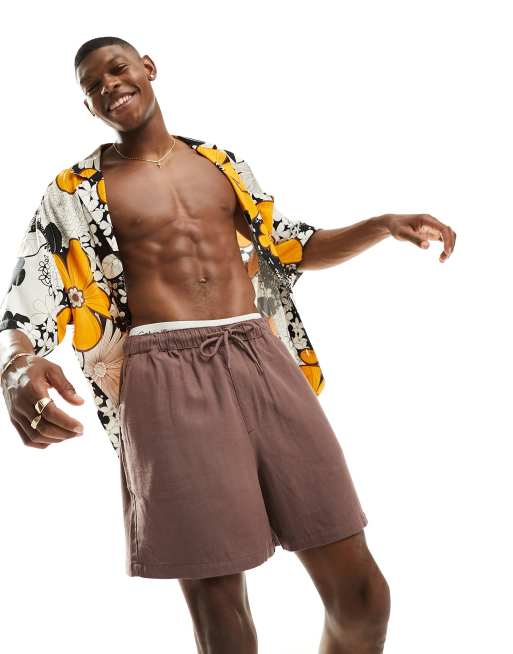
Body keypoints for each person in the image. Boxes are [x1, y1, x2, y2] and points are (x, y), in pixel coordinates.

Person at [0, 36, 456, 654]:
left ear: (148, 68)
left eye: (117, 68)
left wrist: (381, 225)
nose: (109, 85)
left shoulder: (218, 162)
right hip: (164, 376)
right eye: (93, 85)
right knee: (222, 619)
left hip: (258, 356)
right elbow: (26, 298)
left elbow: (288, 243)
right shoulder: (74, 189)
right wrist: (16, 365)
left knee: (363, 598)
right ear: (88, 106)